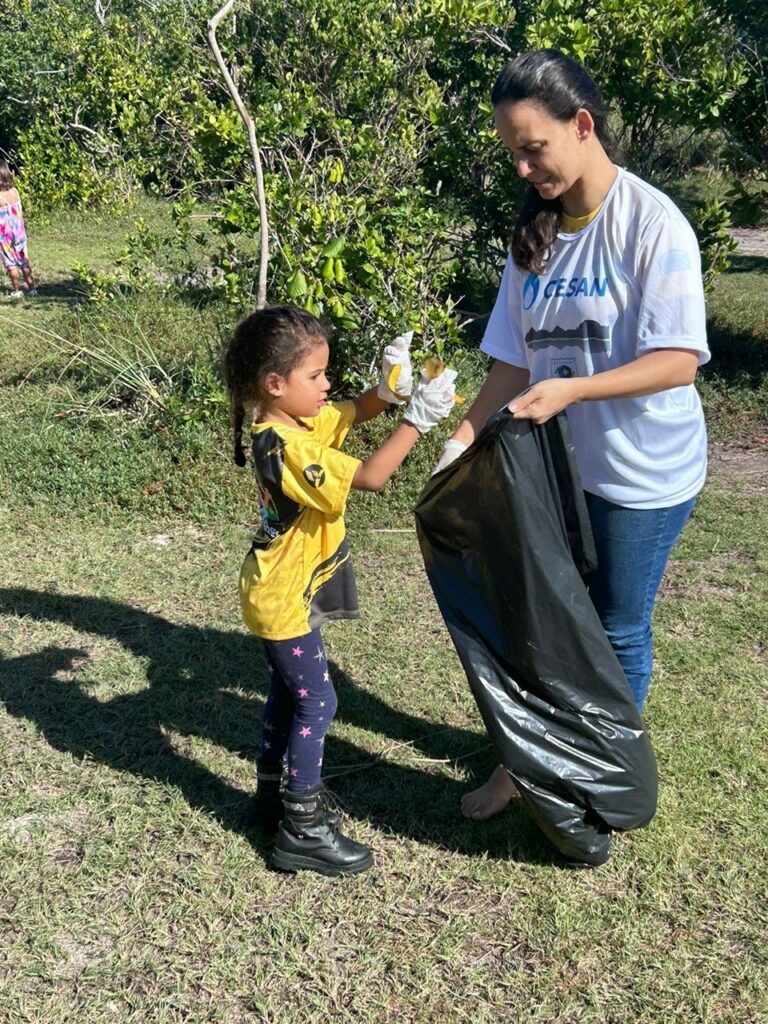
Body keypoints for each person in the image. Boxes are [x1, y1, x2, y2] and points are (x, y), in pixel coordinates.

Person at [432, 50, 710, 822]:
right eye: (511, 153)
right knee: (547, 623)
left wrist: (576, 389)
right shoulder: (536, 233)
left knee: (614, 627)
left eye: (533, 147)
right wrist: (458, 447)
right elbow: (510, 365)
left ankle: (602, 777)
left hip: (640, 474)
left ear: (581, 125)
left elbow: (679, 362)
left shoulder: (652, 223)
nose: (522, 167)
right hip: (557, 472)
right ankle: (525, 766)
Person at [224, 304, 456, 875]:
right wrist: (418, 423)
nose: (328, 385)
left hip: (292, 588)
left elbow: (353, 412)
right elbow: (374, 477)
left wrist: (391, 389)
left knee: (288, 692)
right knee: (318, 701)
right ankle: (301, 826)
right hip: (283, 598)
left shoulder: (296, 421)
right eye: (317, 376)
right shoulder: (284, 447)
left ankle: (270, 798)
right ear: (274, 385)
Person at [0, 160, 37, 299]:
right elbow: (19, 210)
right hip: (19, 232)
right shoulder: (15, 191)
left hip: (5, 235)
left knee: (11, 263)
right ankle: (32, 289)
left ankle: (17, 290)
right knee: (24, 261)